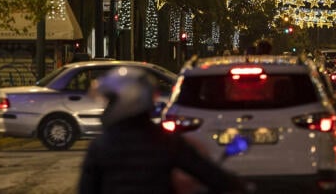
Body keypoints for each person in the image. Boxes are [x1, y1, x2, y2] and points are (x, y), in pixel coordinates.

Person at [78, 66, 246, 194]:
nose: (107, 109)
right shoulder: (165, 141)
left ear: (128, 100)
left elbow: (86, 188)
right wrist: (238, 185)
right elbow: (207, 173)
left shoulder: (100, 146)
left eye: (110, 102)